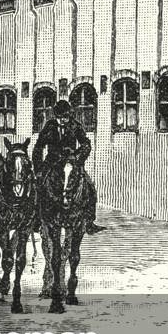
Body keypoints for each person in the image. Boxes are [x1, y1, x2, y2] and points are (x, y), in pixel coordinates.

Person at [33, 100, 104, 234]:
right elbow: (38, 148)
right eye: (59, 117)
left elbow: (86, 145)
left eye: (65, 117)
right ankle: (37, 220)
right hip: (52, 163)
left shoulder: (75, 126)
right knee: (38, 186)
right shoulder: (49, 126)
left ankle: (89, 221)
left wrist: (78, 158)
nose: (62, 120)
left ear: (69, 116)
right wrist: (38, 170)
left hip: (71, 163)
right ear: (56, 116)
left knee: (90, 187)